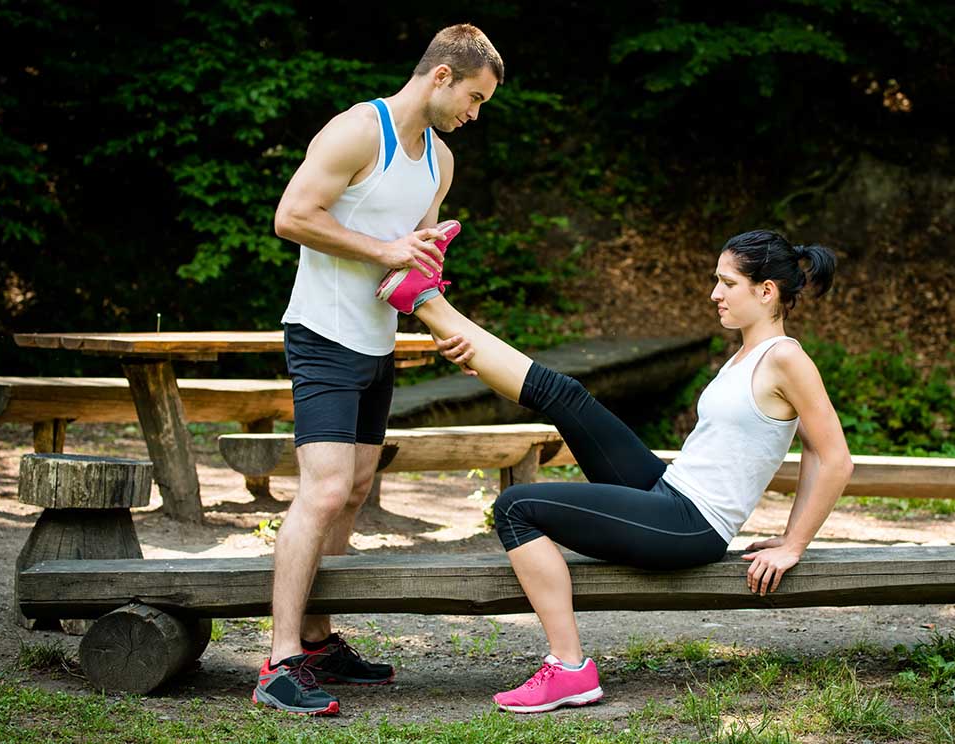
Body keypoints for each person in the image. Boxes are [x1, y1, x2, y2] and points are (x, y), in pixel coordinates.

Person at [387, 227, 854, 713]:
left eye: (727, 283)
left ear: (766, 291)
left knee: (516, 507)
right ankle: (424, 299)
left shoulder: (786, 358)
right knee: (566, 395)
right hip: (668, 490)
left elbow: (832, 457)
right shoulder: (744, 355)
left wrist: (794, 543)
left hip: (690, 524)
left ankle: (569, 669)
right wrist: (485, 363)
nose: (714, 293)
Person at [256, 25, 504, 716]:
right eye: (474, 98)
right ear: (442, 76)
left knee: (358, 486)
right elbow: (291, 216)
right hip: (322, 334)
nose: (474, 114)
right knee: (326, 489)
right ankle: (277, 662)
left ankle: (317, 641)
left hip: (378, 342)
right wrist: (388, 249)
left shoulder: (440, 162)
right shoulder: (358, 131)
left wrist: (446, 326)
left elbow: (411, 262)